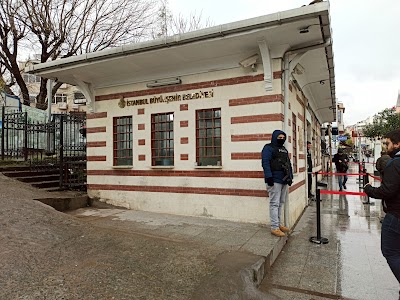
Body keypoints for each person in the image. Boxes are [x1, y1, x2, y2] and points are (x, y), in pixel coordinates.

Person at [364, 129, 400, 285]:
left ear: (397, 143)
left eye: (388, 143)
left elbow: (387, 190)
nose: (386, 146)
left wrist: (368, 189)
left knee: (390, 252)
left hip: (396, 215)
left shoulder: (395, 163)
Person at [261, 130, 294, 237]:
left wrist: (290, 176)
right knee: (274, 203)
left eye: (283, 137)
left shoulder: (284, 149)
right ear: (275, 137)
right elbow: (265, 163)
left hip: (284, 180)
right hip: (274, 180)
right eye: (279, 137)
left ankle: (279, 224)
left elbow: (288, 164)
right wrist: (269, 177)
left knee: (281, 203)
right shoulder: (268, 148)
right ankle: (274, 227)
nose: (281, 139)